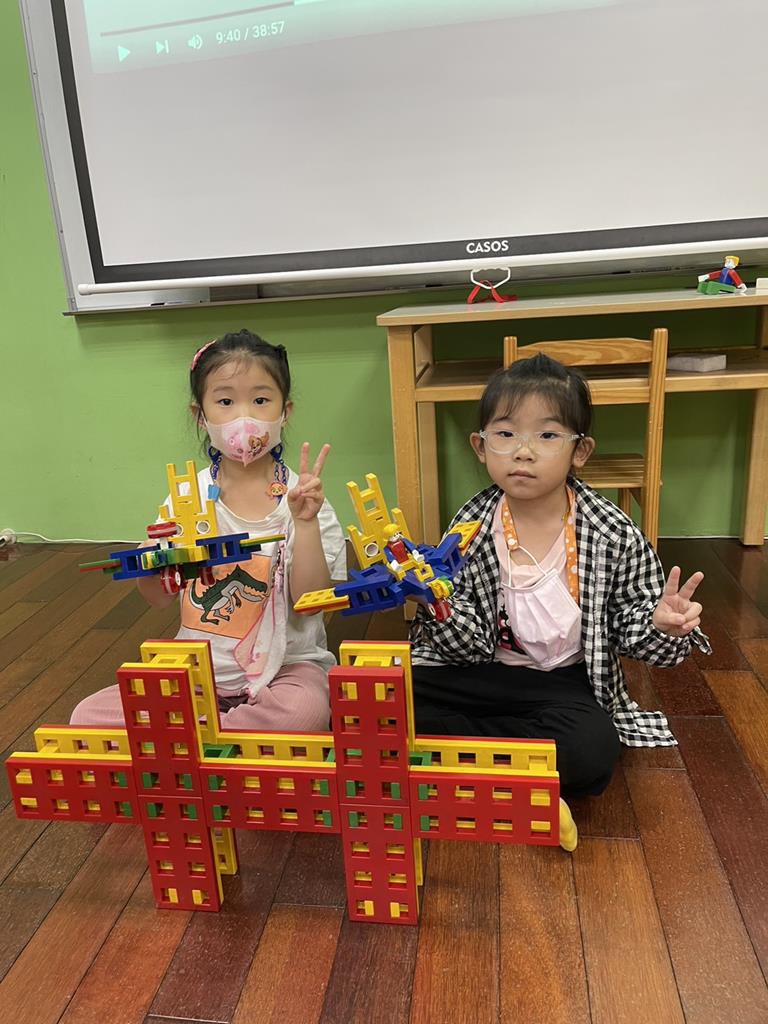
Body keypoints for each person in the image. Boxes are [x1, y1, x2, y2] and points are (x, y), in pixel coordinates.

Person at [410, 353, 710, 806]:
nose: (523, 451)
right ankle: (515, 759)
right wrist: (437, 603)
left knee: (591, 749)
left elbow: (631, 629)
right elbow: (465, 647)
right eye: (505, 434)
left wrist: (660, 624)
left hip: (565, 680)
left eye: (548, 435)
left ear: (580, 452)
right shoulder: (469, 527)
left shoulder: (611, 531)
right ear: (480, 446)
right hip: (483, 671)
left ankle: (456, 754)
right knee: (386, 694)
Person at [71, 330, 346, 731]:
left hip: (286, 669)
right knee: (88, 716)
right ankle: (223, 735)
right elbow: (158, 598)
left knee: (302, 711)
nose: (244, 417)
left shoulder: (306, 501)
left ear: (285, 411)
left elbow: (310, 601)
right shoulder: (187, 496)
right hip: (197, 669)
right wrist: (152, 560)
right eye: (225, 401)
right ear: (200, 415)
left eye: (260, 400)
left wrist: (304, 525)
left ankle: (193, 733)